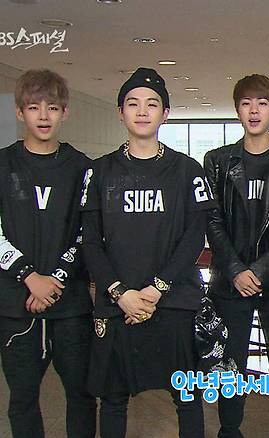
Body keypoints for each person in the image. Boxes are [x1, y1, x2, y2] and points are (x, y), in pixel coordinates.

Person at [81, 67, 212, 438]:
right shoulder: (100, 172)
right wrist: (120, 293)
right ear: (120, 112)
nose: (142, 111)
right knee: (113, 398)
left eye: (152, 104)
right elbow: (90, 242)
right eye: (133, 103)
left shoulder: (187, 170)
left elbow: (194, 236)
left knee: (187, 396)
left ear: (165, 114)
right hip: (117, 303)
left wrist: (157, 288)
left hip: (174, 301)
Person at [0, 69, 96, 438]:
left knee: (82, 396)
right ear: (19, 112)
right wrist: (28, 276)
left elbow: (88, 234)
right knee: (22, 400)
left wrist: (53, 281)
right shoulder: (3, 164)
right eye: (34, 107)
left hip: (71, 307)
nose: (43, 116)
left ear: (65, 113)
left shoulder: (82, 167)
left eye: (52, 108)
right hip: (16, 306)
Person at [204, 74, 269, 438]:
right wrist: (235, 270)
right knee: (231, 363)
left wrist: (260, 271)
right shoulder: (217, 160)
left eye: (262, 103)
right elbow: (212, 221)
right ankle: (229, 430)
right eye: (246, 103)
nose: (254, 111)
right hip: (230, 281)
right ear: (237, 110)